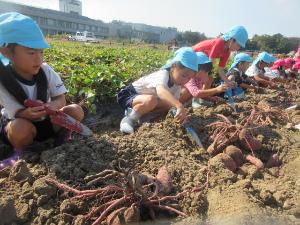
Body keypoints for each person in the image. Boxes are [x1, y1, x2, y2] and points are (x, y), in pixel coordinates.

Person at [0, 12, 84, 169]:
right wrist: (26, 113)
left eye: (41, 52)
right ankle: (21, 152)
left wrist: (53, 106)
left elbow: (61, 99)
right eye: (31, 53)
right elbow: (14, 111)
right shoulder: (2, 80)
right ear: (7, 52)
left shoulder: (46, 71)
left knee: (75, 111)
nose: (38, 59)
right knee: (19, 128)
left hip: (47, 122)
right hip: (21, 124)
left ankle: (63, 138)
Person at [117, 47, 198, 134]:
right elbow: (161, 91)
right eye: (184, 75)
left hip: (148, 100)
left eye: (189, 78)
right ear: (173, 67)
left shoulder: (177, 86)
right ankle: (129, 119)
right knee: (151, 100)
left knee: (170, 104)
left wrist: (180, 115)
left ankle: (146, 119)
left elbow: (172, 105)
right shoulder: (162, 74)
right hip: (130, 95)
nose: (185, 80)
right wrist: (179, 106)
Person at [192, 25, 248, 90]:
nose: (238, 48)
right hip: (193, 56)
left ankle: (203, 95)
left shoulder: (227, 51)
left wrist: (228, 82)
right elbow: (210, 63)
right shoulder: (219, 42)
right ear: (232, 40)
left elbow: (220, 69)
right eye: (238, 45)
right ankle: (200, 95)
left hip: (202, 61)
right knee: (205, 78)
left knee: (210, 78)